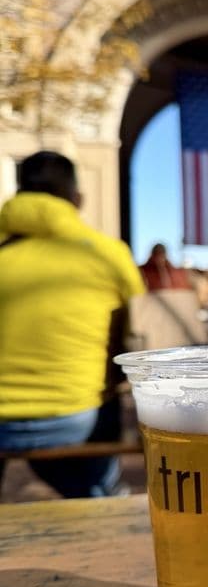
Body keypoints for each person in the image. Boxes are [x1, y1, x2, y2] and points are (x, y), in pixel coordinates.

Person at [0, 151, 144, 498]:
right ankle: (102, 496)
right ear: (76, 196)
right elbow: (139, 339)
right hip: (76, 419)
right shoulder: (107, 254)